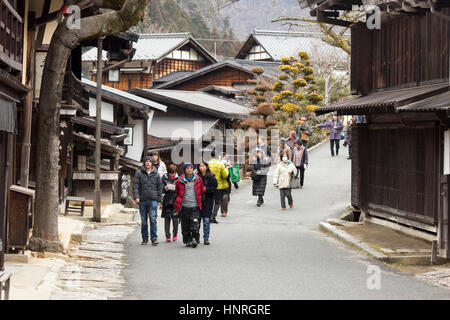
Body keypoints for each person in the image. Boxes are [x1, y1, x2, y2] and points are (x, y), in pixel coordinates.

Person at [174, 163, 204, 248]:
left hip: (195, 206)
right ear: (184, 170)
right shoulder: (180, 181)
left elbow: (201, 190)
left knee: (195, 223)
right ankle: (187, 240)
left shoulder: (198, 179)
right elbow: (177, 192)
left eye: (191, 168)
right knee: (185, 224)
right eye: (187, 168)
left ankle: (194, 238)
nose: (190, 169)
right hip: (184, 206)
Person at [133, 156, 162, 246]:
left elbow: (159, 187)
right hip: (143, 200)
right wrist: (136, 197)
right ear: (144, 163)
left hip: (153, 200)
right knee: (144, 221)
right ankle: (145, 239)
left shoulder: (156, 174)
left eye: (150, 161)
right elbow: (135, 186)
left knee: (153, 219)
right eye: (146, 161)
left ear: (152, 163)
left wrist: (159, 200)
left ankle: (154, 239)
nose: (148, 163)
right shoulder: (139, 173)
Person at [197, 161, 218, 245]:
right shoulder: (196, 177)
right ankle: (196, 237)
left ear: (206, 167)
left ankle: (206, 238)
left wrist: (206, 189)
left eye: (203, 166)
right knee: (197, 220)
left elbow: (214, 188)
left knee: (206, 220)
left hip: (208, 200)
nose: (201, 168)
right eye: (200, 166)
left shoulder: (212, 177)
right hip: (198, 200)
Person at [209, 150, 230, 221]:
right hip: (218, 186)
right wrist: (226, 169)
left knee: (210, 201)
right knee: (217, 202)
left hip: (209, 185)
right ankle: (213, 216)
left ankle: (208, 215)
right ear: (218, 156)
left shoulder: (208, 164)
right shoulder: (220, 164)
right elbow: (225, 175)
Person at [161, 164, 179, 242]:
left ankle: (175, 234)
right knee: (167, 218)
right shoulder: (164, 178)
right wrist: (164, 188)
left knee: (175, 218)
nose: (172, 175)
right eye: (171, 173)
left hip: (176, 200)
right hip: (167, 200)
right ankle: (167, 236)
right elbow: (160, 188)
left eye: (174, 173)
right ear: (168, 172)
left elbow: (182, 189)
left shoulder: (179, 178)